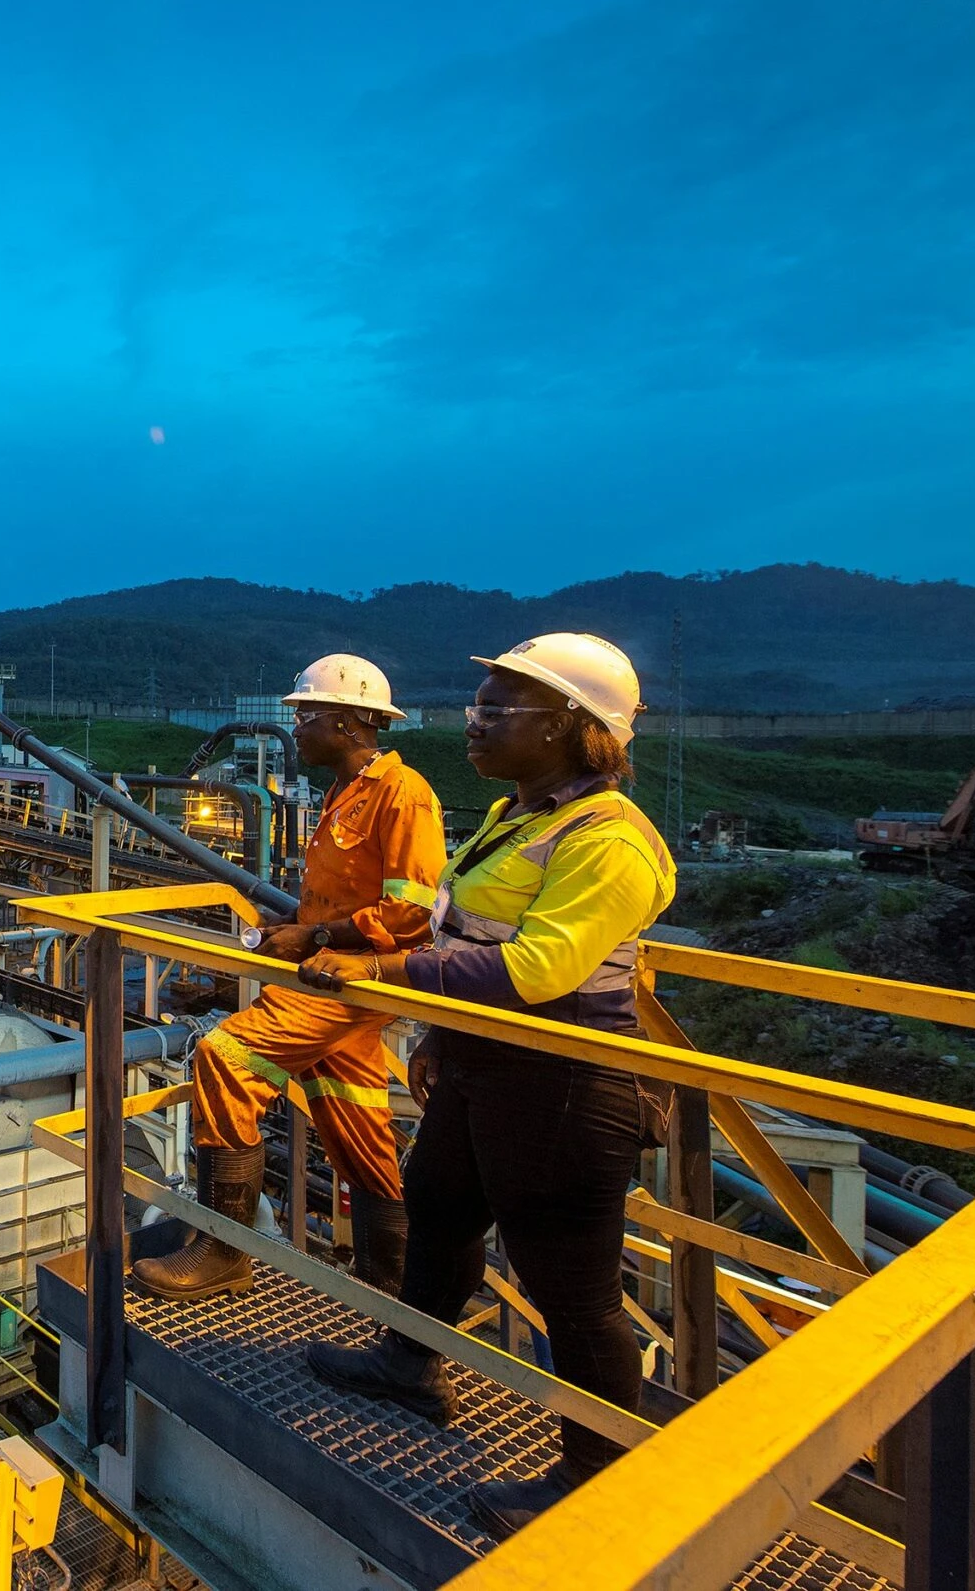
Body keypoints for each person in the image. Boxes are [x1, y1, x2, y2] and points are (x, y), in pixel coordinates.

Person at [298, 632, 675, 1540]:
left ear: (568, 724)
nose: (476, 720)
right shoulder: (520, 814)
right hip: (484, 1060)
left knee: (570, 1284)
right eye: (481, 703)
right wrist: (440, 1034)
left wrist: (383, 973)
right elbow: (462, 926)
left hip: (561, 1078)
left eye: (500, 707)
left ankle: (596, 1473)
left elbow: (538, 968)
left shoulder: (610, 839)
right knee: (439, 1205)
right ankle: (410, 1361)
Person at [132, 654, 443, 1302]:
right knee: (354, 1118)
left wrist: (317, 936)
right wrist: (296, 921)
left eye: (307, 715)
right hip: (331, 976)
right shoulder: (345, 793)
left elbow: (411, 912)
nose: (295, 727)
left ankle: (224, 1250)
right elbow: (343, 896)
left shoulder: (402, 792)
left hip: (356, 979)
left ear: (351, 721)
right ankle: (392, 1284)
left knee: (225, 1058)